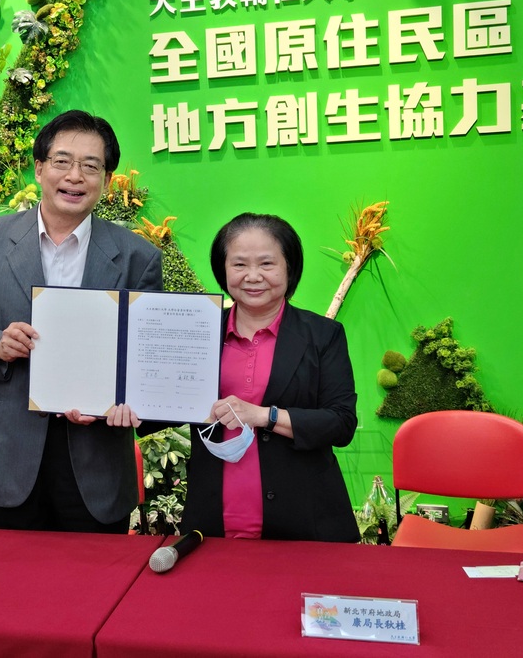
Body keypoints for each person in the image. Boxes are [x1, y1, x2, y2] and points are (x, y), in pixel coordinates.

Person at [0, 110, 163, 533]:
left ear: (107, 180)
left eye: (91, 166)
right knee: (13, 572)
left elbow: (146, 356)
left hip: (96, 460)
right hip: (8, 453)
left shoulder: (138, 257)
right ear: (39, 168)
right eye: (62, 161)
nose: (75, 176)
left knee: (95, 574)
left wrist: (109, 403)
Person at [114, 212, 359, 542]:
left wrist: (265, 416)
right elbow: (165, 406)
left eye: (267, 264)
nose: (253, 276)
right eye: (239, 264)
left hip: (305, 520)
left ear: (290, 268)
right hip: (213, 521)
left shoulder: (322, 335)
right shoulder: (198, 329)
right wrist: (122, 407)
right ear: (223, 269)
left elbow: (341, 423)